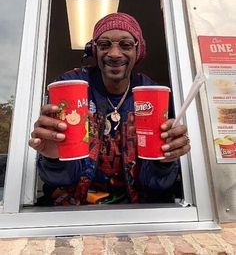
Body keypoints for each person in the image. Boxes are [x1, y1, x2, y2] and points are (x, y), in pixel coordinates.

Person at [29, 12, 190, 206]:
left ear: (138, 51)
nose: (114, 54)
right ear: (93, 50)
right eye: (104, 45)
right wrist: (54, 158)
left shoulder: (151, 94)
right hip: (72, 211)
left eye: (126, 45)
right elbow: (62, 179)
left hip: (138, 212)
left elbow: (156, 184)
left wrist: (164, 161)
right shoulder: (71, 86)